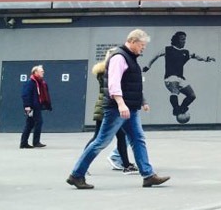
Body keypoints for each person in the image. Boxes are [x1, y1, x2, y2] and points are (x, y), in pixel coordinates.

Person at [66, 29, 170, 189]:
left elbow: (131, 84)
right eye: (142, 45)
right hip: (117, 109)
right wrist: (121, 104)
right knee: (101, 141)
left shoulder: (130, 58)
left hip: (130, 108)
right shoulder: (119, 57)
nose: (143, 48)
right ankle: (76, 175)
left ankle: (148, 175)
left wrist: (141, 101)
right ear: (133, 41)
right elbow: (113, 83)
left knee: (138, 139)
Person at [142, 31, 215, 123]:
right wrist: (148, 66)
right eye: (182, 39)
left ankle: (181, 109)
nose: (184, 41)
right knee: (175, 90)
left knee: (192, 96)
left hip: (180, 78)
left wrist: (207, 59)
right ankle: (176, 108)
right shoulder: (168, 49)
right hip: (170, 77)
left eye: (185, 40)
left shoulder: (185, 52)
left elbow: (196, 56)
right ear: (176, 40)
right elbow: (155, 56)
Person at [89, 51, 137, 174]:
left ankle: (126, 165)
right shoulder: (108, 72)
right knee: (98, 138)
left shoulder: (103, 71)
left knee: (120, 136)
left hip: (105, 107)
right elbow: (114, 89)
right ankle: (83, 164)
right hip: (107, 108)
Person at [20, 65, 51, 149]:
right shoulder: (30, 82)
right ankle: (35, 142)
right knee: (38, 122)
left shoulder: (40, 83)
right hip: (32, 107)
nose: (43, 72)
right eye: (41, 71)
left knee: (30, 124)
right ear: (35, 72)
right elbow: (25, 95)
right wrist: (27, 106)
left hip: (37, 106)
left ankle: (24, 143)